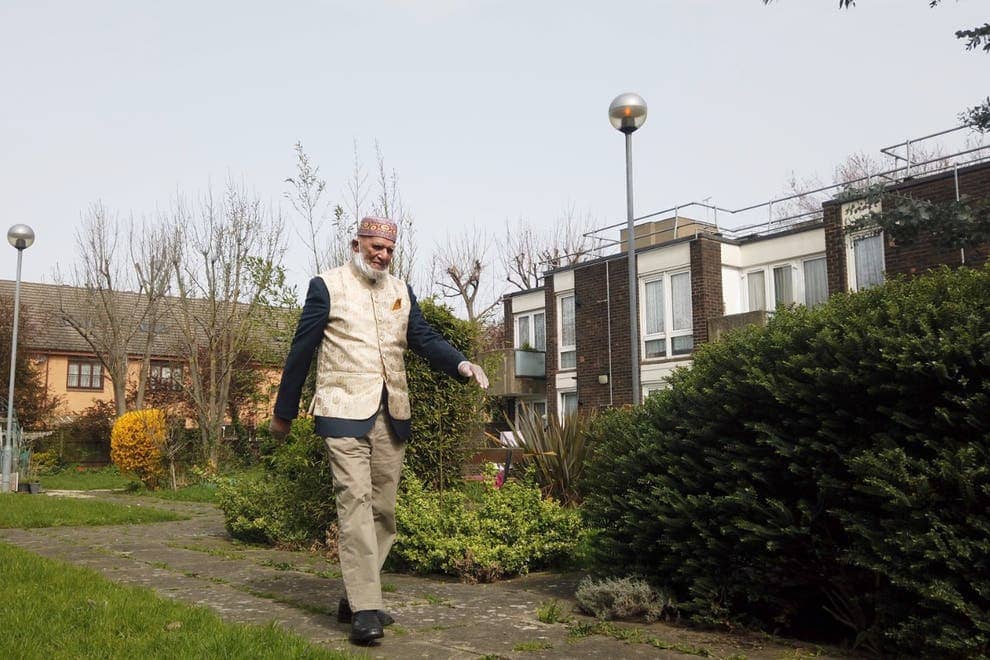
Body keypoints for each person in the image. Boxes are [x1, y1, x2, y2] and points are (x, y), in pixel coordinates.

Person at [270, 216, 488, 644]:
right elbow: (302, 349)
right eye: (375, 247)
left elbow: (422, 338)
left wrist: (462, 363)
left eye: (389, 249)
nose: (382, 255)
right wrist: (284, 411)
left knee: (383, 513)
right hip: (342, 412)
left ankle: (353, 596)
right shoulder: (325, 286)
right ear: (357, 243)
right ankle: (367, 610)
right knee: (355, 503)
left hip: (392, 414)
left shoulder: (401, 291)